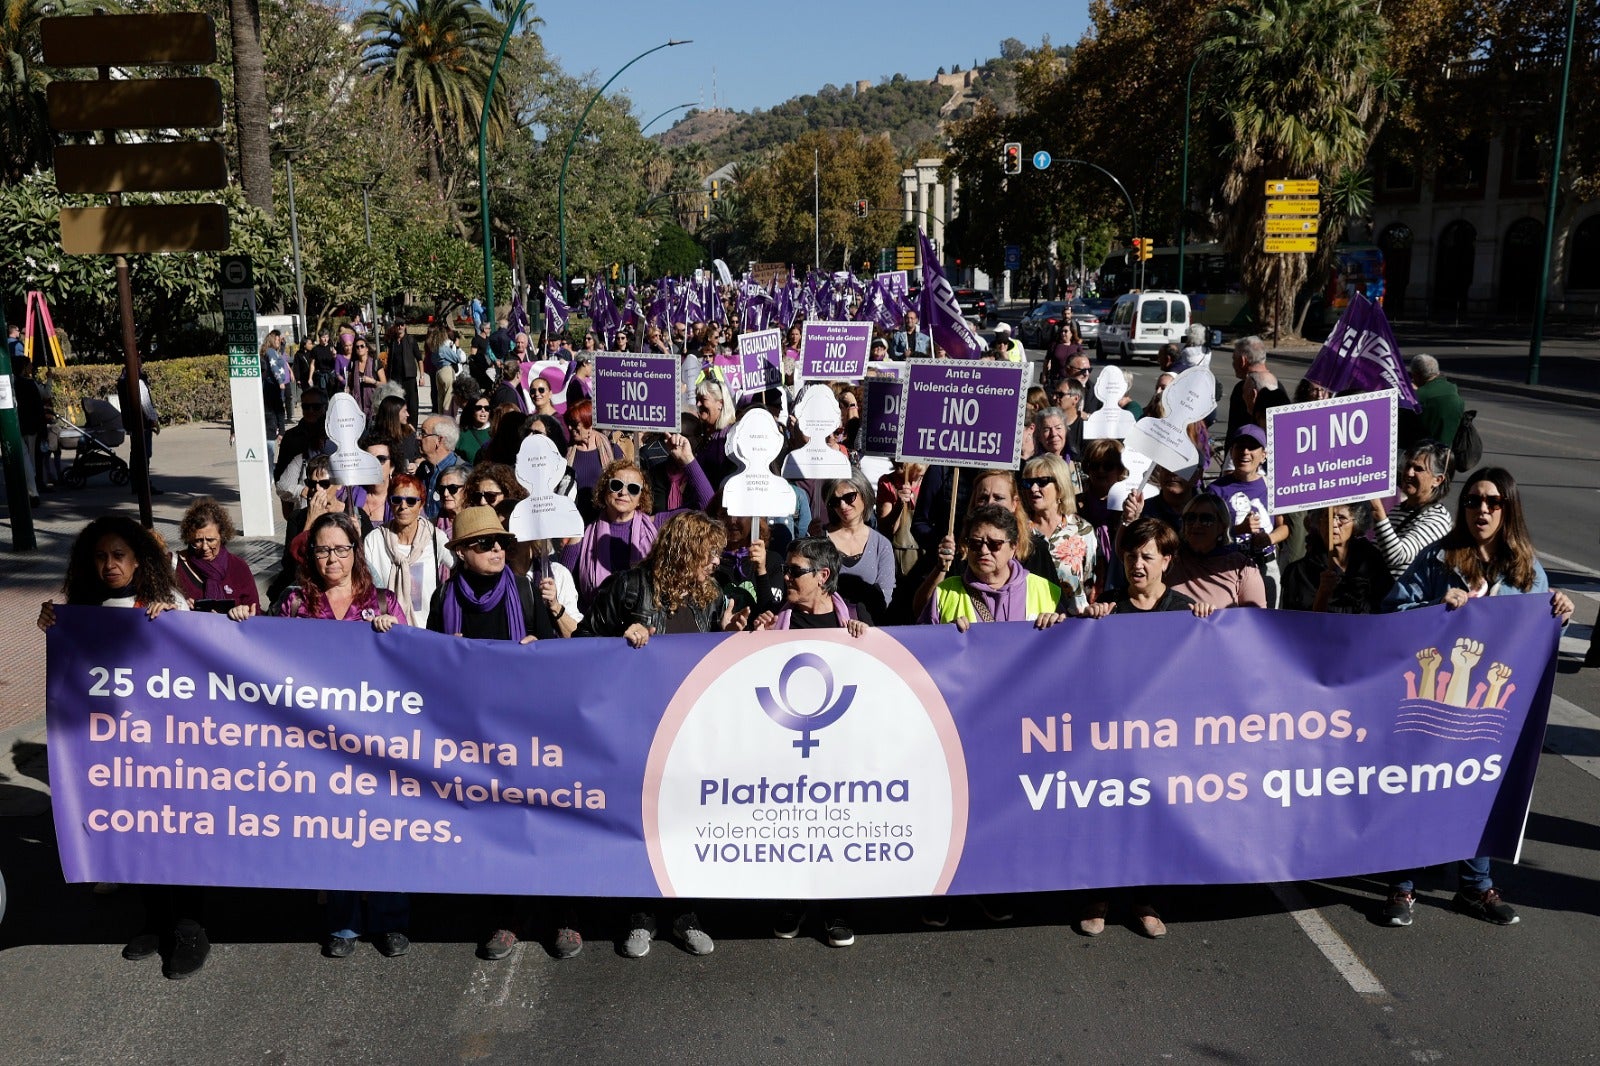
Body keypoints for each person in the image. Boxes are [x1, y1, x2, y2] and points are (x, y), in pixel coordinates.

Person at [1377, 467, 1575, 928]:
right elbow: (1393, 610)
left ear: (1508, 509)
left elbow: (1535, 635)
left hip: (1491, 706)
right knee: (1421, 786)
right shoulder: (1438, 558)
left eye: (1492, 502)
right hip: (1436, 698)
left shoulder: (1527, 569)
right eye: (1472, 501)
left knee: (1481, 787)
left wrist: (1559, 613)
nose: (1481, 510)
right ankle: (1402, 885)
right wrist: (1438, 609)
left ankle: (1475, 885)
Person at [577, 511, 750, 959]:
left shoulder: (711, 598)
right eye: (709, 552)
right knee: (643, 824)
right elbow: (579, 643)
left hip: (686, 731)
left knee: (683, 822)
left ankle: (684, 914)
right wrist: (620, 633)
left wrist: (728, 636)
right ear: (685, 549)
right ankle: (640, 917)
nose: (716, 561)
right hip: (635, 728)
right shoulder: (629, 586)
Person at [37, 516, 204, 979]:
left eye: (118, 555)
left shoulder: (166, 602)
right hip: (118, 753)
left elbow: (198, 664)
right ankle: (155, 921)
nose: (109, 565)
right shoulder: (84, 609)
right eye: (100, 556)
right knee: (140, 835)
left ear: (138, 560)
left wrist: (176, 623)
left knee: (177, 837)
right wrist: (52, 625)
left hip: (170, 750)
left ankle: (189, 927)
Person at [274, 511, 407, 958]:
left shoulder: (383, 603)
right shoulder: (293, 604)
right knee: (334, 830)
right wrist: (240, 616)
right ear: (310, 554)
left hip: (375, 741)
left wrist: (395, 638)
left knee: (382, 829)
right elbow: (260, 655)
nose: (332, 558)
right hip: (317, 745)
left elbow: (414, 668)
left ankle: (389, 919)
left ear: (357, 552)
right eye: (323, 549)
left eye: (341, 548)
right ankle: (344, 923)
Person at [750, 536, 867, 948]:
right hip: (787, 748)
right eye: (786, 570)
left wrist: (867, 638)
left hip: (839, 749)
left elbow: (881, 672)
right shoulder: (776, 620)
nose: (786, 577)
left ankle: (836, 909)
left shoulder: (853, 618)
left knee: (837, 826)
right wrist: (754, 635)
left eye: (795, 571)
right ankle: (793, 902)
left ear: (823, 576)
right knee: (794, 828)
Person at [920, 504, 1066, 628]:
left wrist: (1057, 628)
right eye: (976, 543)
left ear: (1013, 547)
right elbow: (921, 649)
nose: (984, 551)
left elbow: (1068, 648)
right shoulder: (944, 592)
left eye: (994, 544)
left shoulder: (1047, 591)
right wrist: (944, 636)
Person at [561, 458, 658, 610]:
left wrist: (687, 459)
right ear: (605, 490)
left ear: (641, 498)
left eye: (633, 488)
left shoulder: (655, 526)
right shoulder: (584, 534)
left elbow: (705, 508)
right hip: (598, 624)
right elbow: (562, 581)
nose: (623, 492)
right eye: (616, 485)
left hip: (643, 622)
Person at [1207, 425, 1287, 607]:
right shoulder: (1216, 490)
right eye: (1239, 446)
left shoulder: (1271, 486)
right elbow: (1207, 534)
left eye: (1252, 447)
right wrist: (1238, 529)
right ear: (1231, 452)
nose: (1245, 452)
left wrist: (1269, 538)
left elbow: (1284, 526)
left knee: (1266, 626)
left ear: (1263, 455)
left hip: (1265, 567)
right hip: (1226, 569)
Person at [363, 473, 452, 628]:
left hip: (427, 630)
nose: (403, 506)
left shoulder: (435, 537)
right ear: (390, 503)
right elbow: (365, 587)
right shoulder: (374, 539)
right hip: (386, 628)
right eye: (397, 500)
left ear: (421, 504)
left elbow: (460, 570)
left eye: (411, 501)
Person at [1020, 453, 1099, 613]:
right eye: (1028, 483)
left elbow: (1090, 583)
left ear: (1060, 486)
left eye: (1042, 482)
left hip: (1073, 623)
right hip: (1031, 623)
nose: (1034, 488)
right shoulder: (1019, 530)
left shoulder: (1083, 530)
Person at [1282, 502, 1393, 613]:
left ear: (1356, 524)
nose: (1333, 524)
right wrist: (1323, 594)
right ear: (1318, 523)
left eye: (1341, 518)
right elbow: (1299, 623)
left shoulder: (1371, 561)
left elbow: (1387, 605)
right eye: (1327, 516)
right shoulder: (1299, 572)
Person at [1164, 494, 1267, 609]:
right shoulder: (1169, 560)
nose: (1197, 525)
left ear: (1222, 526)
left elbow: (1255, 618)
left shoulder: (1242, 567)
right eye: (1190, 518)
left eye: (1206, 519)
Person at [1372, 441, 1455, 577]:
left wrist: (1377, 511)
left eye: (1418, 469)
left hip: (1397, 597)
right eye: (1408, 465)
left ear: (1437, 480)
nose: (1409, 473)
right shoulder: (1399, 509)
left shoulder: (1437, 519)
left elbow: (1398, 556)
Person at [822, 470, 896, 618]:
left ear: (864, 494)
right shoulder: (819, 539)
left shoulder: (881, 545)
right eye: (835, 501)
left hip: (868, 626)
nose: (843, 506)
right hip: (828, 627)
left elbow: (885, 597)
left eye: (849, 497)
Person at [174, 497, 261, 620]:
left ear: (222, 536)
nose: (205, 547)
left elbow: (255, 611)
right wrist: (182, 608)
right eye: (198, 541)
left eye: (210, 540)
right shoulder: (176, 566)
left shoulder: (238, 567)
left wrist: (242, 612)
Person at [563, 398, 616, 524]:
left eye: (575, 424)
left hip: (604, 520)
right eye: (568, 423)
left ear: (589, 423)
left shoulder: (612, 449)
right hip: (574, 521)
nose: (570, 428)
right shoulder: (565, 452)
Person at [1408, 353, 1464, 452]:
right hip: (1448, 453)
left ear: (1417, 374)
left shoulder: (1419, 398)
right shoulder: (1452, 389)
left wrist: (1415, 393)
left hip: (1424, 453)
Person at [415, 415, 463, 519]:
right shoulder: (423, 469)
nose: (418, 437)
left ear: (439, 440)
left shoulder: (462, 473)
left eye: (423, 433)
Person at [455, 392, 494, 464]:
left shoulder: (496, 432)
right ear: (471, 410)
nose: (483, 411)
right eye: (478, 408)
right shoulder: (461, 435)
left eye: (487, 408)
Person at [431, 464, 469, 539]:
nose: (445, 494)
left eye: (452, 488)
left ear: (466, 490)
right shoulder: (431, 526)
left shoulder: (477, 522)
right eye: (441, 489)